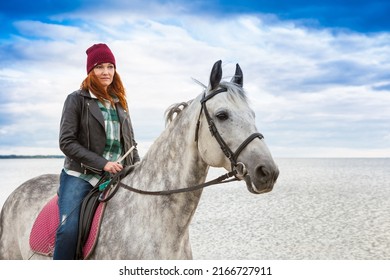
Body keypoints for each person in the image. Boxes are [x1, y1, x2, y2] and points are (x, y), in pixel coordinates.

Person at [54, 43, 140, 260]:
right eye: (100, 67)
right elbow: (66, 142)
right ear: (90, 71)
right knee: (69, 229)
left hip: (117, 175)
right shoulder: (76, 100)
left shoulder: (119, 103)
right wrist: (102, 163)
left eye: (110, 67)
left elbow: (130, 143)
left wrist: (138, 168)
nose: (106, 72)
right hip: (81, 175)